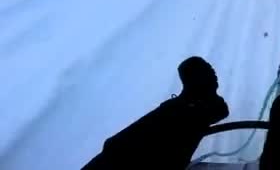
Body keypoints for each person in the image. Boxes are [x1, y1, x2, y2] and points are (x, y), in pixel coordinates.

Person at [82, 56, 229, 170]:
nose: (214, 73)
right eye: (208, 71)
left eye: (211, 70)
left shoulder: (183, 108)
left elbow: (220, 110)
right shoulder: (189, 112)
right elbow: (219, 110)